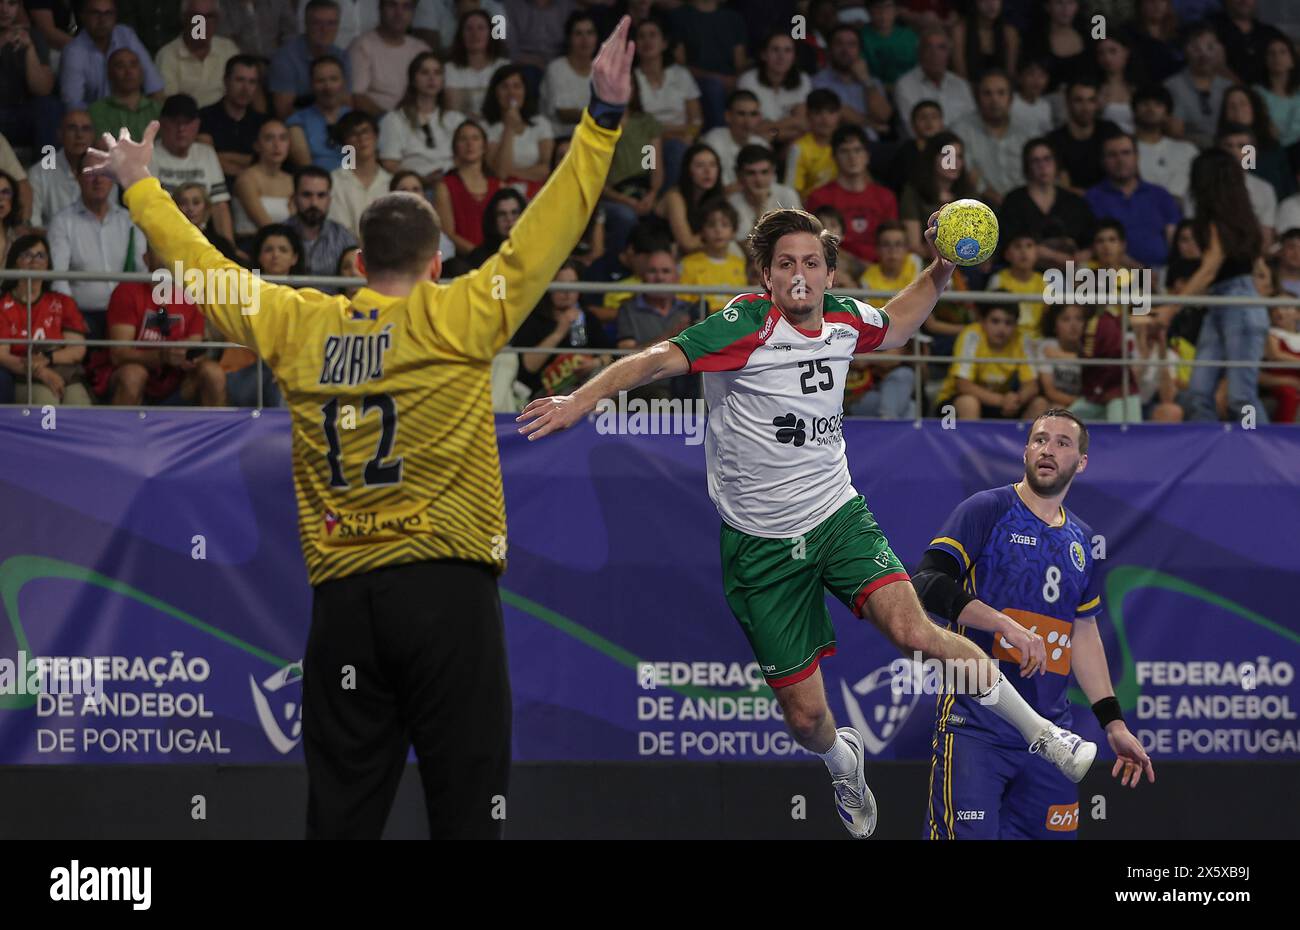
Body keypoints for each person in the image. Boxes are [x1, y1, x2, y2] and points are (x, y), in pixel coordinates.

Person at [84, 14, 636, 840]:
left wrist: (139, 182)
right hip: (448, 595)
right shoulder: (459, 316)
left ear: (358, 266)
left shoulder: (300, 325)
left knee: (340, 814)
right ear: (437, 261)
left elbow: (206, 273)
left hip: (344, 605)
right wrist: (599, 119)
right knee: (467, 803)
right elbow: (544, 237)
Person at [518, 206, 1099, 839]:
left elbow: (902, 323)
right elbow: (656, 360)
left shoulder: (846, 321)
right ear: (766, 275)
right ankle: (841, 759)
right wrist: (580, 400)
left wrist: (941, 266)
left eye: (812, 263)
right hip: (759, 545)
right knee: (804, 718)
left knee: (916, 631)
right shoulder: (743, 325)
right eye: (786, 264)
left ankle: (1043, 736)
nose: (800, 276)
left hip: (836, 516)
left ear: (827, 273)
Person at [912, 409, 1154, 839]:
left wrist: (1113, 723)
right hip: (977, 728)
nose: (1048, 449)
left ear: (1080, 462)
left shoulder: (1081, 539)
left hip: (1052, 743)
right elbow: (927, 584)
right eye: (1040, 439)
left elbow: (1082, 632)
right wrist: (1001, 622)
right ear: (1026, 451)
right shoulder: (988, 509)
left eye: (1063, 443)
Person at [1183, 149, 1270, 423]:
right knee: (1197, 394)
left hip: (1239, 305)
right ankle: (1212, 462)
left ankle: (1276, 463)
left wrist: (1169, 309)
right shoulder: (1238, 219)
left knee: (1241, 398)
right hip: (1219, 305)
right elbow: (1261, 269)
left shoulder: (1227, 222)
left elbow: (1209, 269)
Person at [99, 248, 225, 405]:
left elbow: (195, 344)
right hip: (133, 379)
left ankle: (215, 430)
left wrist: (191, 356)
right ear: (146, 259)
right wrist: (162, 356)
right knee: (133, 375)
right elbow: (118, 355)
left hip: (178, 382)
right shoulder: (127, 290)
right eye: (160, 247)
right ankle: (120, 429)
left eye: (171, 247)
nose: (167, 255)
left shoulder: (192, 294)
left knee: (213, 372)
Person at [48, 167, 147, 338]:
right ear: (78, 178)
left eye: (104, 173)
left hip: (127, 314)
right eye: (90, 174)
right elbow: (59, 278)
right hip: (83, 313)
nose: (98, 180)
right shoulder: (62, 222)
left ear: (113, 179)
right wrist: (73, 317)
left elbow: (143, 270)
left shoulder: (130, 220)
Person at [0, 232, 92, 406]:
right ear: (14, 262)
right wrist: (40, 372)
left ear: (48, 264)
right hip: (21, 376)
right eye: (26, 255)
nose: (34, 261)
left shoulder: (63, 302)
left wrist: (49, 359)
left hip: (62, 372)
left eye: (40, 255)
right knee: (47, 404)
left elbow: (77, 350)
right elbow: (2, 355)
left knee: (80, 407)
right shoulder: (2, 305)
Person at [804, 124, 897, 264]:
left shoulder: (886, 197)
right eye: (844, 151)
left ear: (867, 156)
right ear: (834, 157)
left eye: (857, 150)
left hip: (879, 270)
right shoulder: (818, 197)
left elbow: (893, 241)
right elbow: (814, 243)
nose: (852, 157)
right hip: (836, 267)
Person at [998, 138, 1095, 269]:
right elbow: (1008, 242)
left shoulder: (1074, 202)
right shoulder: (1014, 201)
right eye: (1035, 161)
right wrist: (1053, 256)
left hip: (1071, 272)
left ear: (1056, 163)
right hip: (1026, 272)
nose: (1042, 166)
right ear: (1027, 166)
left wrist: (1083, 255)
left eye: (1047, 159)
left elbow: (1091, 240)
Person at [939, 302, 1041, 420]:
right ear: (982, 321)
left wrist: (1016, 400)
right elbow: (963, 385)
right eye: (995, 321)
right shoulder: (971, 334)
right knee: (969, 403)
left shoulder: (1022, 339)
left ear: (1016, 325)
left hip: (1001, 403)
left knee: (1039, 404)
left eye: (1008, 323)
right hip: (954, 402)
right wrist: (1001, 400)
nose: (1001, 329)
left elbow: (1031, 386)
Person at [378, 52, 465, 190]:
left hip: (452, 186)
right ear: (413, 80)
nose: (432, 78)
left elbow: (466, 158)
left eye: (437, 73)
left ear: (443, 81)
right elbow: (389, 163)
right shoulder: (394, 119)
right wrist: (422, 180)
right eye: (424, 72)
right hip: (414, 188)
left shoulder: (456, 120)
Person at [59, 0, 164, 112]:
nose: (102, 20)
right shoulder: (73, 52)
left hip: (133, 115)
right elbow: (73, 105)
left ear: (115, 16)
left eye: (108, 13)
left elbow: (154, 87)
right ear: (83, 16)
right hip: (95, 121)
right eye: (95, 13)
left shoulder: (126, 36)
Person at [950, 68, 1031, 206]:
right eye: (987, 94)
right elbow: (954, 167)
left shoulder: (1026, 132)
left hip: (1023, 206)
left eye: (1001, 93)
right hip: (977, 206)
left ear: (1011, 99)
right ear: (977, 98)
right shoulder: (960, 130)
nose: (994, 100)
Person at [268, 0, 353, 119]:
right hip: (298, 127)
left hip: (337, 125)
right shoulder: (285, 58)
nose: (324, 29)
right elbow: (284, 113)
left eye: (331, 23)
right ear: (306, 24)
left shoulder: (342, 57)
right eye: (317, 23)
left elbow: (346, 104)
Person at [347, 0, 431, 115]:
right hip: (376, 122)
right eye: (392, 5)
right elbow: (357, 98)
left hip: (418, 119)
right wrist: (393, 121)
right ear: (380, 9)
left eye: (406, 7)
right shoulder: (362, 45)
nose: (399, 13)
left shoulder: (422, 49)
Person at [197, 55, 268, 189]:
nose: (245, 88)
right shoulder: (205, 116)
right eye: (240, 80)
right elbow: (208, 159)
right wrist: (249, 160)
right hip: (214, 187)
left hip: (255, 188)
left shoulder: (262, 122)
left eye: (252, 82)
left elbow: (266, 162)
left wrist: (223, 156)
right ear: (226, 80)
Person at [893, 26, 975, 138]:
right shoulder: (905, 85)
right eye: (928, 47)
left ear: (949, 53)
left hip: (958, 149)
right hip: (924, 150)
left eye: (941, 48)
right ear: (919, 52)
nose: (934, 53)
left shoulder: (961, 85)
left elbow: (972, 125)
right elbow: (914, 130)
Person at [434, 119, 501, 255]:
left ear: (484, 146)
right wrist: (478, 254)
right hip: (462, 259)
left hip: (496, 257)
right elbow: (448, 233)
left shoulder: (498, 185)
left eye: (475, 138)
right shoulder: (445, 186)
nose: (470, 144)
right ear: (455, 147)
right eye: (463, 139)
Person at [0, 0, 59, 152]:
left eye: (11, 3)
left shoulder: (31, 35)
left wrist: (29, 49)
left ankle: (48, 168)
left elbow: (43, 89)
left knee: (49, 107)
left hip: (16, 117)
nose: (4, 9)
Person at [155, 0, 238, 108]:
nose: (203, 23)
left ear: (217, 20)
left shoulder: (228, 49)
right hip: (187, 122)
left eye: (209, 16)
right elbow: (170, 108)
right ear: (184, 18)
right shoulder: (167, 56)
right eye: (197, 17)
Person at [737, 30, 811, 147]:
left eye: (787, 50)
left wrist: (773, 131)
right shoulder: (748, 79)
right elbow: (752, 127)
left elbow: (804, 124)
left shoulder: (803, 79)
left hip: (780, 138)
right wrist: (792, 121)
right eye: (775, 50)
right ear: (764, 55)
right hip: (757, 141)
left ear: (794, 56)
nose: (781, 56)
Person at [283, 165, 357, 278]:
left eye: (321, 195)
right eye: (307, 195)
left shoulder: (343, 237)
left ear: (329, 199)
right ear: (294, 197)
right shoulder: (278, 235)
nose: (314, 203)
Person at [29, 110, 98, 228]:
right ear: (60, 135)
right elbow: (33, 225)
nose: (79, 135)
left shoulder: (105, 173)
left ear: (93, 136)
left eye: (85, 129)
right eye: (72, 128)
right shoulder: (39, 173)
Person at [678, 199, 747, 314]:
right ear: (702, 231)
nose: (718, 230)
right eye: (711, 225)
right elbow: (682, 304)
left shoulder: (740, 264)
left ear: (733, 231)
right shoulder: (688, 264)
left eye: (725, 225)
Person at [1133, 83, 1198, 203]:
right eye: (1145, 104)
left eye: (1158, 105)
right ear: (1134, 110)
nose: (1150, 109)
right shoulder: (1125, 152)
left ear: (1167, 113)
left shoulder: (1187, 150)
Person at [231, 119, 293, 243]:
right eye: (269, 138)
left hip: (284, 247)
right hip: (251, 244)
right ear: (257, 145)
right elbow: (265, 226)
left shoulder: (291, 180)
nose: (277, 145)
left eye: (283, 138)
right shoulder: (247, 179)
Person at [656, 143, 725, 254]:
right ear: (688, 170)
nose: (708, 171)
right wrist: (717, 235)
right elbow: (687, 244)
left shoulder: (714, 197)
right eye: (700, 166)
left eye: (713, 165)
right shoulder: (674, 197)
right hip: (657, 254)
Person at [285, 56, 352, 170]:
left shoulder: (354, 119)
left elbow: (360, 163)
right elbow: (306, 168)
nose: (328, 87)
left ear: (343, 83)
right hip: (317, 183)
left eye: (334, 79)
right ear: (311, 85)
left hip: (352, 182)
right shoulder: (297, 121)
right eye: (320, 81)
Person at [442, 9, 508, 120]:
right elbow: (453, 109)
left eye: (481, 28)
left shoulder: (504, 67)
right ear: (461, 35)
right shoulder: (449, 69)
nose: (475, 34)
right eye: (469, 29)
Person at [539, 10, 596, 132]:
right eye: (578, 33)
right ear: (569, 38)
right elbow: (563, 114)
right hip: (559, 140)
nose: (585, 40)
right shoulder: (556, 69)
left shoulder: (602, 71)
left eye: (590, 33)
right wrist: (600, 116)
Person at [699, 90, 766, 191]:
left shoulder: (762, 145)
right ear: (728, 116)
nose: (747, 121)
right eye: (741, 114)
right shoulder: (713, 141)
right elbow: (713, 191)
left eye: (753, 114)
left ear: (759, 118)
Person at [784, 89, 841, 201]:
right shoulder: (798, 148)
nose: (825, 119)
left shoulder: (847, 145)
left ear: (839, 115)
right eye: (818, 113)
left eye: (831, 112)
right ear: (808, 116)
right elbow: (791, 192)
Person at [951, 0, 1017, 83]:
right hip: (967, 89)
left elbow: (1010, 73)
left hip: (1000, 90)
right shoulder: (960, 31)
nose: (991, 4)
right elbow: (960, 73)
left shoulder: (1009, 33)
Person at [172, 180, 237, 260]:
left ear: (207, 207)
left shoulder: (221, 245)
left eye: (196, 202)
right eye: (183, 203)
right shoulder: (166, 242)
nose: (190, 208)